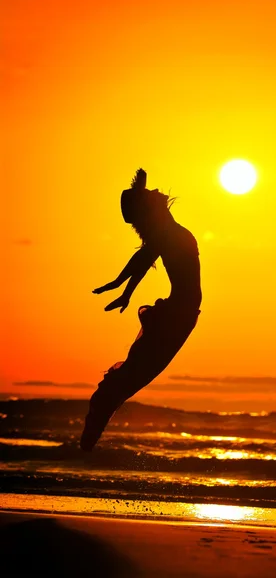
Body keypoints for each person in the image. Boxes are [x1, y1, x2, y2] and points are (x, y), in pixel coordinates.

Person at [80, 169, 202, 451]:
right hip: (176, 315)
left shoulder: (175, 235)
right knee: (121, 384)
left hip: (177, 317)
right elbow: (145, 257)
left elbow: (144, 257)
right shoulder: (169, 234)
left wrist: (122, 287)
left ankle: (84, 450)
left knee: (120, 385)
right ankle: (86, 448)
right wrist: (124, 289)